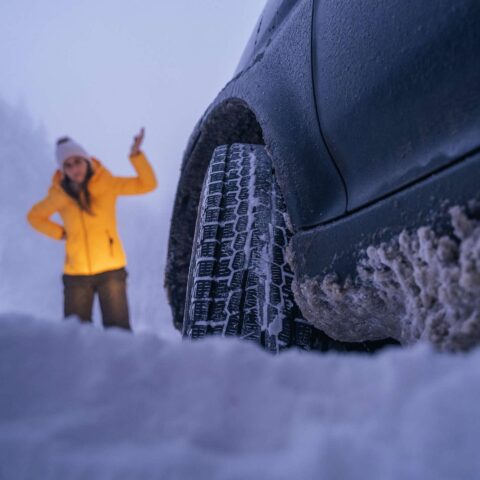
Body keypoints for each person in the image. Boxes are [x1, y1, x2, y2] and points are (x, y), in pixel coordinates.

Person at [27, 128, 157, 330]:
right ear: (63, 170)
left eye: (77, 161)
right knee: (75, 336)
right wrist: (61, 233)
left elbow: (148, 184)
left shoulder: (107, 183)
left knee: (119, 334)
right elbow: (34, 216)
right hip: (76, 275)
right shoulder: (59, 195)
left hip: (111, 272)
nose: (74, 168)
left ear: (86, 161)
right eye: (67, 165)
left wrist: (135, 155)